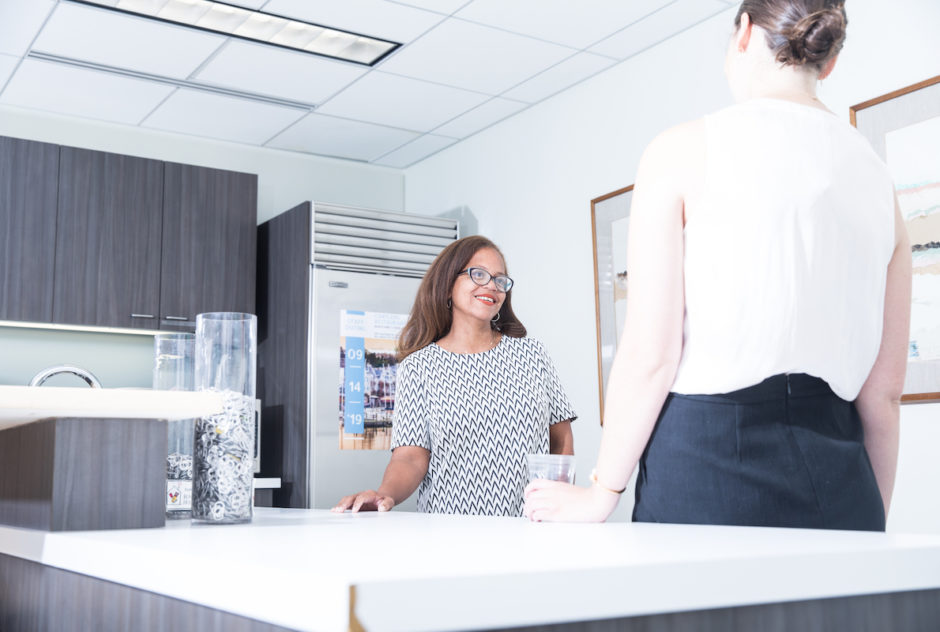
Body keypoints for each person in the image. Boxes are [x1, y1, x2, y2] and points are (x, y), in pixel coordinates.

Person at [524, 0, 911, 530]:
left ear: (744, 34)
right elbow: (884, 391)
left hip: (705, 466)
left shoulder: (680, 150)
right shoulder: (878, 180)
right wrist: (873, 512)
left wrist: (602, 491)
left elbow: (649, 354)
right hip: (841, 476)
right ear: (829, 61)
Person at [333, 235, 576, 516]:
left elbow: (561, 440)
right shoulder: (419, 367)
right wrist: (384, 494)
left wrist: (559, 504)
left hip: (530, 527)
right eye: (478, 274)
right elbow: (411, 458)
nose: (491, 286)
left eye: (500, 280)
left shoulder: (533, 354)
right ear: (448, 285)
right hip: (449, 534)